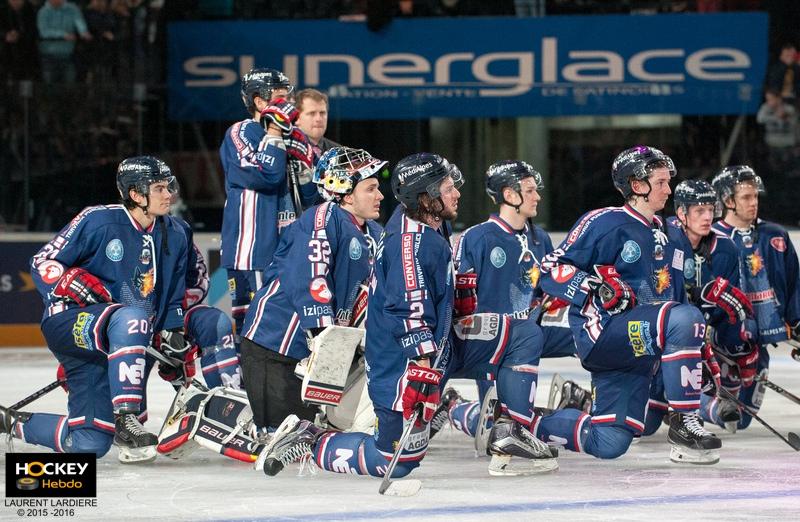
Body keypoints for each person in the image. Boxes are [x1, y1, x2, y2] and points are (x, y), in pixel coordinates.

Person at [258, 152, 556, 480]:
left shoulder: (426, 219)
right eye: (446, 187)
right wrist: (422, 373)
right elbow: (409, 310)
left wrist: (457, 295)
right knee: (394, 462)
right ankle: (309, 438)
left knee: (524, 334)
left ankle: (510, 431)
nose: (456, 192)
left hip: (442, 344)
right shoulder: (409, 244)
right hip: (405, 365)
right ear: (427, 198)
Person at [533, 146, 723, 465]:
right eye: (661, 182)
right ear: (637, 186)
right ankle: (685, 423)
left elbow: (672, 300)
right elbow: (549, 269)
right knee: (684, 318)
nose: (669, 189)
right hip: (604, 332)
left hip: (638, 344)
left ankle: (524, 425)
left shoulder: (664, 232)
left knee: (610, 442)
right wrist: (597, 286)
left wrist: (695, 344)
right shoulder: (606, 221)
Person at [1, 156, 188, 463]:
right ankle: (126, 419)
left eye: (170, 185)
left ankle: (8, 423)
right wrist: (67, 279)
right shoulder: (99, 220)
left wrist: (173, 328)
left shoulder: (175, 234)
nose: (169, 194)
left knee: (89, 445)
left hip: (112, 343)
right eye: (159, 187)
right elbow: (42, 262)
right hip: (70, 321)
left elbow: (172, 294)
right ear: (136, 194)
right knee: (132, 317)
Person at [239, 146, 385, 437]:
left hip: (324, 352)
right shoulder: (324, 218)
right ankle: (218, 413)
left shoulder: (374, 234)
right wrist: (325, 335)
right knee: (286, 440)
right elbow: (311, 276)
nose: (380, 195)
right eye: (370, 188)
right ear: (344, 191)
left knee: (330, 429)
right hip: (278, 346)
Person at [445, 160, 576, 438]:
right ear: (508, 194)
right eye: (529, 190)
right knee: (497, 429)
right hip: (493, 342)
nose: (537, 196)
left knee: (590, 332)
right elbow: (457, 298)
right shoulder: (476, 237)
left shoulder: (541, 238)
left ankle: (594, 401)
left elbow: (547, 289)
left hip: (532, 333)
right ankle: (455, 408)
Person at [642, 180, 756, 435]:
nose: (707, 217)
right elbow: (655, 294)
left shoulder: (725, 248)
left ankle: (700, 404)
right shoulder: (664, 239)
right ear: (681, 213)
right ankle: (583, 400)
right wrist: (696, 297)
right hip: (661, 335)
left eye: (710, 209)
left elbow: (731, 304)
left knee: (740, 416)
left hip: (700, 335)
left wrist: (741, 345)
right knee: (644, 425)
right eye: (699, 211)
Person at [220, 67, 316, 341]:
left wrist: (305, 169)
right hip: (253, 251)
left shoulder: (295, 136)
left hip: (290, 248)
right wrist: (274, 133)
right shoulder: (240, 133)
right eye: (280, 97)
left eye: (289, 98)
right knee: (253, 328)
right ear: (260, 102)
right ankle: (251, 384)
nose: (288, 104)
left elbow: (309, 196)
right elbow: (267, 175)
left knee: (289, 326)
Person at [711, 165, 800, 428]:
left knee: (742, 420)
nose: (754, 203)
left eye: (756, 197)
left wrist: (796, 322)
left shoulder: (776, 235)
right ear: (728, 201)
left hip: (762, 337)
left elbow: (795, 282)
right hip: (723, 339)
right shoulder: (711, 238)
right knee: (725, 410)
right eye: (746, 197)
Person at [176, 218, 242, 390]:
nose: (168, 195)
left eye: (167, 189)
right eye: (159, 189)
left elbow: (198, 281)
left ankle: (228, 403)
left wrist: (171, 317)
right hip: (132, 317)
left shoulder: (178, 230)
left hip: (173, 314)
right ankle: (122, 414)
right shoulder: (116, 230)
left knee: (216, 324)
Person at [36, 0, 91, 84]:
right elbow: (44, 32)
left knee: (69, 86)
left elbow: (79, 21)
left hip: (68, 54)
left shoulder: (72, 9)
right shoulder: (43, 12)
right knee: (49, 86)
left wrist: (83, 32)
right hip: (48, 55)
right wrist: (63, 35)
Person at [295, 88, 340, 158]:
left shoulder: (339, 152)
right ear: (297, 117)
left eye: (322, 113)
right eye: (312, 113)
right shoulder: (286, 150)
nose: (318, 119)